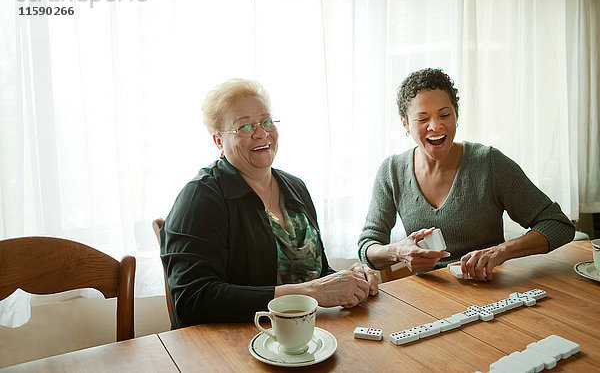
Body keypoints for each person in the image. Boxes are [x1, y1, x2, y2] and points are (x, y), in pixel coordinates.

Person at [160, 78, 378, 329]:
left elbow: (314, 276)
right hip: (230, 344)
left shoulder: (295, 187)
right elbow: (192, 299)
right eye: (244, 127)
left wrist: (348, 280)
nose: (262, 133)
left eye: (266, 122)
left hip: (301, 335)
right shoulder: (200, 198)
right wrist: (311, 293)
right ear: (219, 141)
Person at [358, 68, 575, 281]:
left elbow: (558, 225)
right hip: (426, 300)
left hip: (490, 295)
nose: (435, 126)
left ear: (456, 115)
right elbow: (367, 247)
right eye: (422, 119)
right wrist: (397, 252)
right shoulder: (392, 171)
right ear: (405, 123)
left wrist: (500, 252)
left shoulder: (489, 163)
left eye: (444, 114)